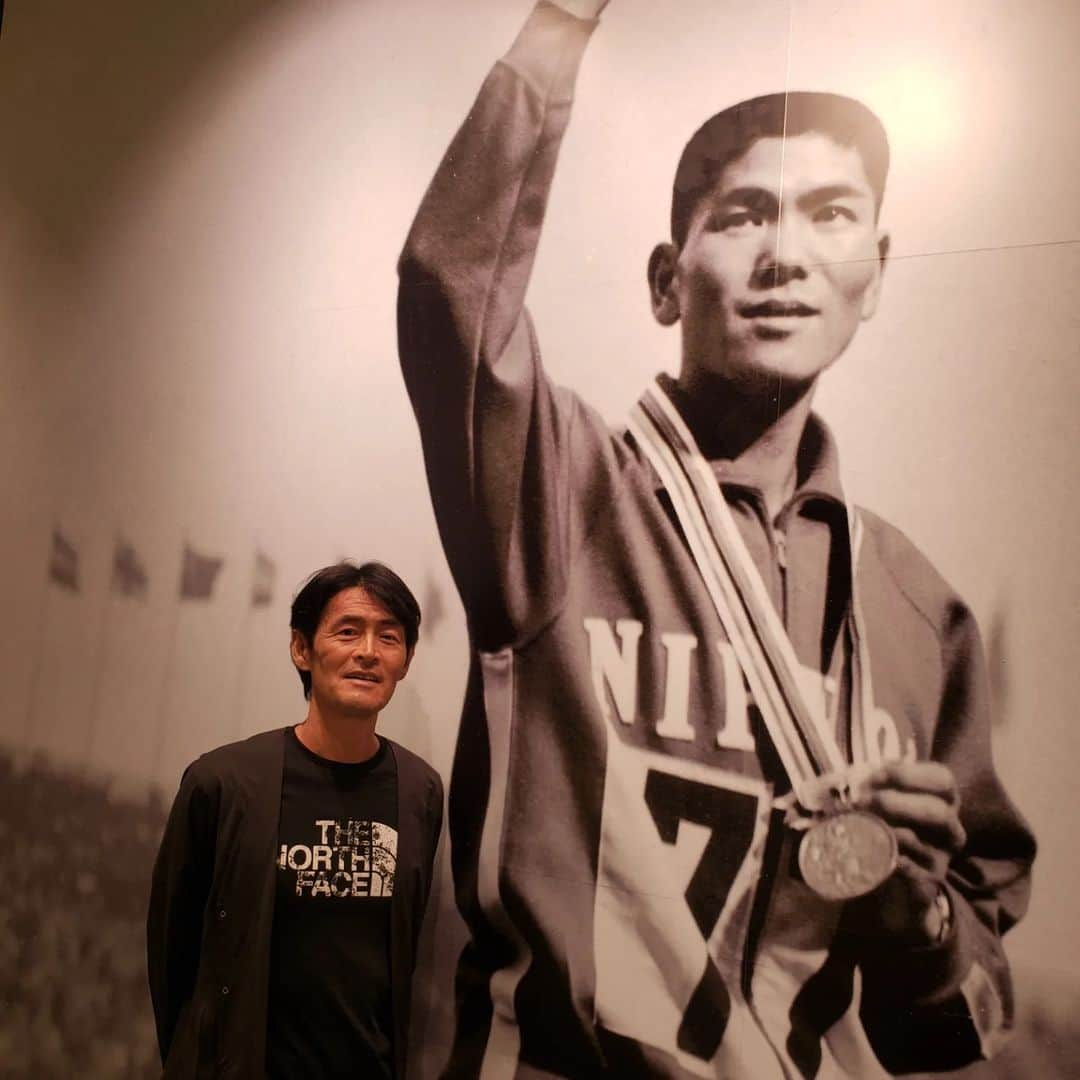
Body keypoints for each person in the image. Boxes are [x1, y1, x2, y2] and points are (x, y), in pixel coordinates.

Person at [397, 1, 1035, 1077]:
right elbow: (451, 291)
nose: (787, 254)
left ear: (874, 272)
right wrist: (559, 25)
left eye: (833, 216)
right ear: (666, 278)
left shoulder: (922, 618)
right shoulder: (567, 489)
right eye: (743, 215)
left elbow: (955, 1023)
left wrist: (915, 926)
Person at [147, 561, 443, 1079]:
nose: (368, 652)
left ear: (406, 659)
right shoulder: (222, 783)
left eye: (388, 637)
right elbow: (173, 955)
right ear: (302, 649)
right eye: (347, 631)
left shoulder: (419, 791)